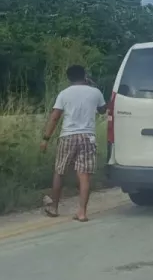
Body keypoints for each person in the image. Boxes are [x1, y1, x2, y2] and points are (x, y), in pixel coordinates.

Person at [40, 64, 106, 222]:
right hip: (88, 137)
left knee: (60, 171)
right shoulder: (95, 92)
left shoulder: (64, 94)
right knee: (84, 176)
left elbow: (55, 116)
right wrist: (93, 85)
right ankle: (82, 212)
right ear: (85, 75)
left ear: (69, 78)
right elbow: (103, 110)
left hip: (68, 136)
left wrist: (46, 139)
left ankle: (54, 207)